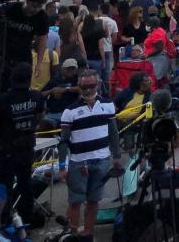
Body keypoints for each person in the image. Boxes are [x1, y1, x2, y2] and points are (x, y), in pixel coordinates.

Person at [58, 69, 123, 240]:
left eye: (91, 86)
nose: (87, 90)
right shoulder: (69, 111)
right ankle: (72, 234)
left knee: (94, 200)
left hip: (102, 160)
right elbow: (63, 141)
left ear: (98, 85)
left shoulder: (108, 105)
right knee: (75, 200)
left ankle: (87, 233)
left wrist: (116, 156)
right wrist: (62, 166)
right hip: (78, 162)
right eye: (83, 86)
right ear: (78, 86)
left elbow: (113, 133)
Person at [0, 62, 44, 226]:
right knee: (25, 184)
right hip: (26, 147)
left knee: (5, 187)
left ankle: (5, 220)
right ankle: (26, 217)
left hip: (6, 150)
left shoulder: (2, 100)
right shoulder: (37, 96)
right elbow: (39, 118)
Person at [0, 0, 49, 91]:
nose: (36, 9)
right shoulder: (11, 8)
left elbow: (42, 40)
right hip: (2, 54)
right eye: (34, 5)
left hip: (23, 56)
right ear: (28, 1)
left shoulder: (42, 17)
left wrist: (39, 63)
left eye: (39, 7)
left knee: (21, 88)